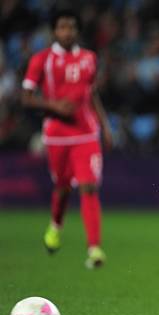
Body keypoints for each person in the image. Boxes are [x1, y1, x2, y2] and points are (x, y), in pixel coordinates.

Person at [21, 9, 112, 269]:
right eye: (62, 27)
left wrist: (105, 126)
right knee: (62, 189)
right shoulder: (42, 60)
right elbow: (25, 98)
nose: (67, 32)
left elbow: (91, 94)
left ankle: (94, 248)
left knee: (89, 186)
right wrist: (54, 107)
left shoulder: (89, 58)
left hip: (86, 133)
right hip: (57, 136)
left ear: (77, 30)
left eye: (71, 27)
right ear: (54, 31)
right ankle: (55, 226)